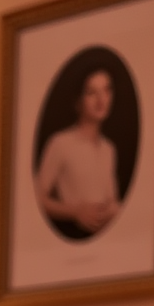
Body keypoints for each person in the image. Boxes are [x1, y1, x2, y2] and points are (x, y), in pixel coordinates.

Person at [34, 66, 120, 238]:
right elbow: (37, 198)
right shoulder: (60, 143)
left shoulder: (108, 148)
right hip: (71, 238)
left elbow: (111, 201)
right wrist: (74, 211)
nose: (101, 99)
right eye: (91, 92)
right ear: (78, 101)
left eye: (106, 90)